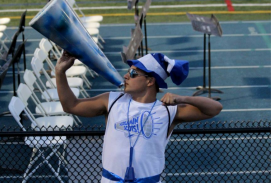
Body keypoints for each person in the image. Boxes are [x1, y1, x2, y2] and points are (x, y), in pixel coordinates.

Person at [55, 51, 223, 183]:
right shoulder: (112, 100)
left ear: (150, 81)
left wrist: (183, 98)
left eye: (133, 74)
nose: (126, 76)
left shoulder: (167, 110)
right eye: (128, 72)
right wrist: (60, 72)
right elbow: (71, 105)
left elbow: (215, 109)